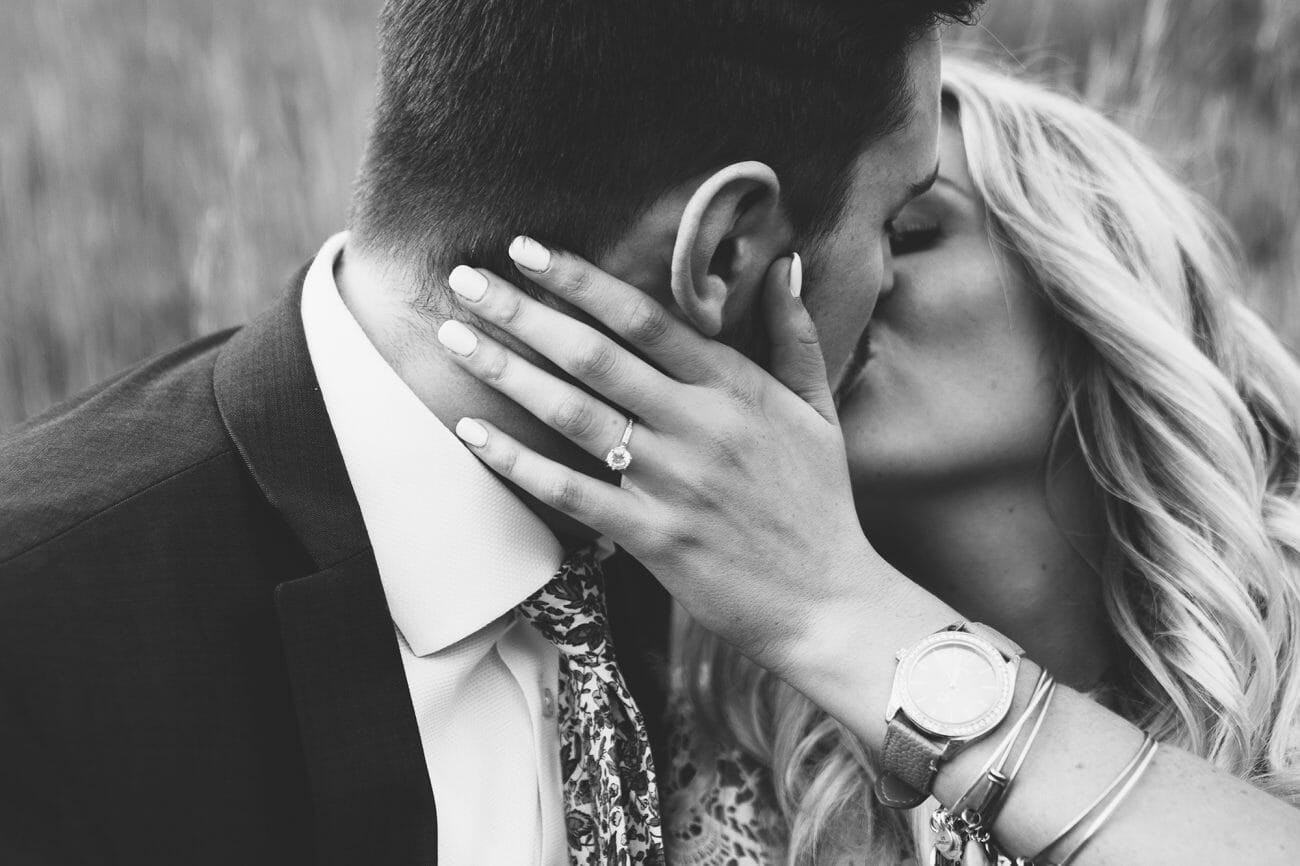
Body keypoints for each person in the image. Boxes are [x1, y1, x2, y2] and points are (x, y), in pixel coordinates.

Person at [0, 1, 983, 863]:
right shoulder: (40, 637)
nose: (891, 289)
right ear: (724, 249)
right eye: (893, 226)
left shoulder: (737, 566)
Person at [432, 58, 1300, 863]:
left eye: (909, 230)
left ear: (1096, 284)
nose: (837, 285)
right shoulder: (719, 719)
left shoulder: (1281, 660)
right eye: (809, 245)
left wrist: (847, 614)